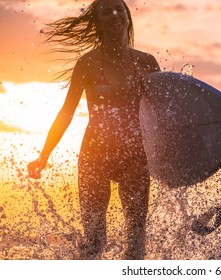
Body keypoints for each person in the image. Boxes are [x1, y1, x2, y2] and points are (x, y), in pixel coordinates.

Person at [28, 0, 160, 259]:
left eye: (119, 10)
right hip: (95, 157)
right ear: (97, 23)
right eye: (106, 12)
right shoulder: (87, 63)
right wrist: (44, 155)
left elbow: (162, 113)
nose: (114, 15)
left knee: (136, 240)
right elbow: (67, 112)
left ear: (128, 17)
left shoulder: (147, 63)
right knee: (95, 241)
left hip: (136, 157)